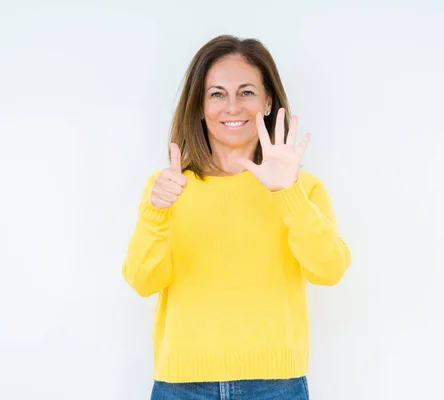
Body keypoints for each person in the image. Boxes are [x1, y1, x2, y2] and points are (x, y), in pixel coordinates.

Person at [122, 34, 351, 400]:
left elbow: (329, 270)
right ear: (199, 105)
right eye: (217, 94)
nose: (232, 106)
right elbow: (142, 281)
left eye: (246, 92)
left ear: (267, 102)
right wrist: (156, 213)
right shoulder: (167, 187)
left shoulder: (301, 188)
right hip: (182, 387)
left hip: (276, 385)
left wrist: (286, 193)